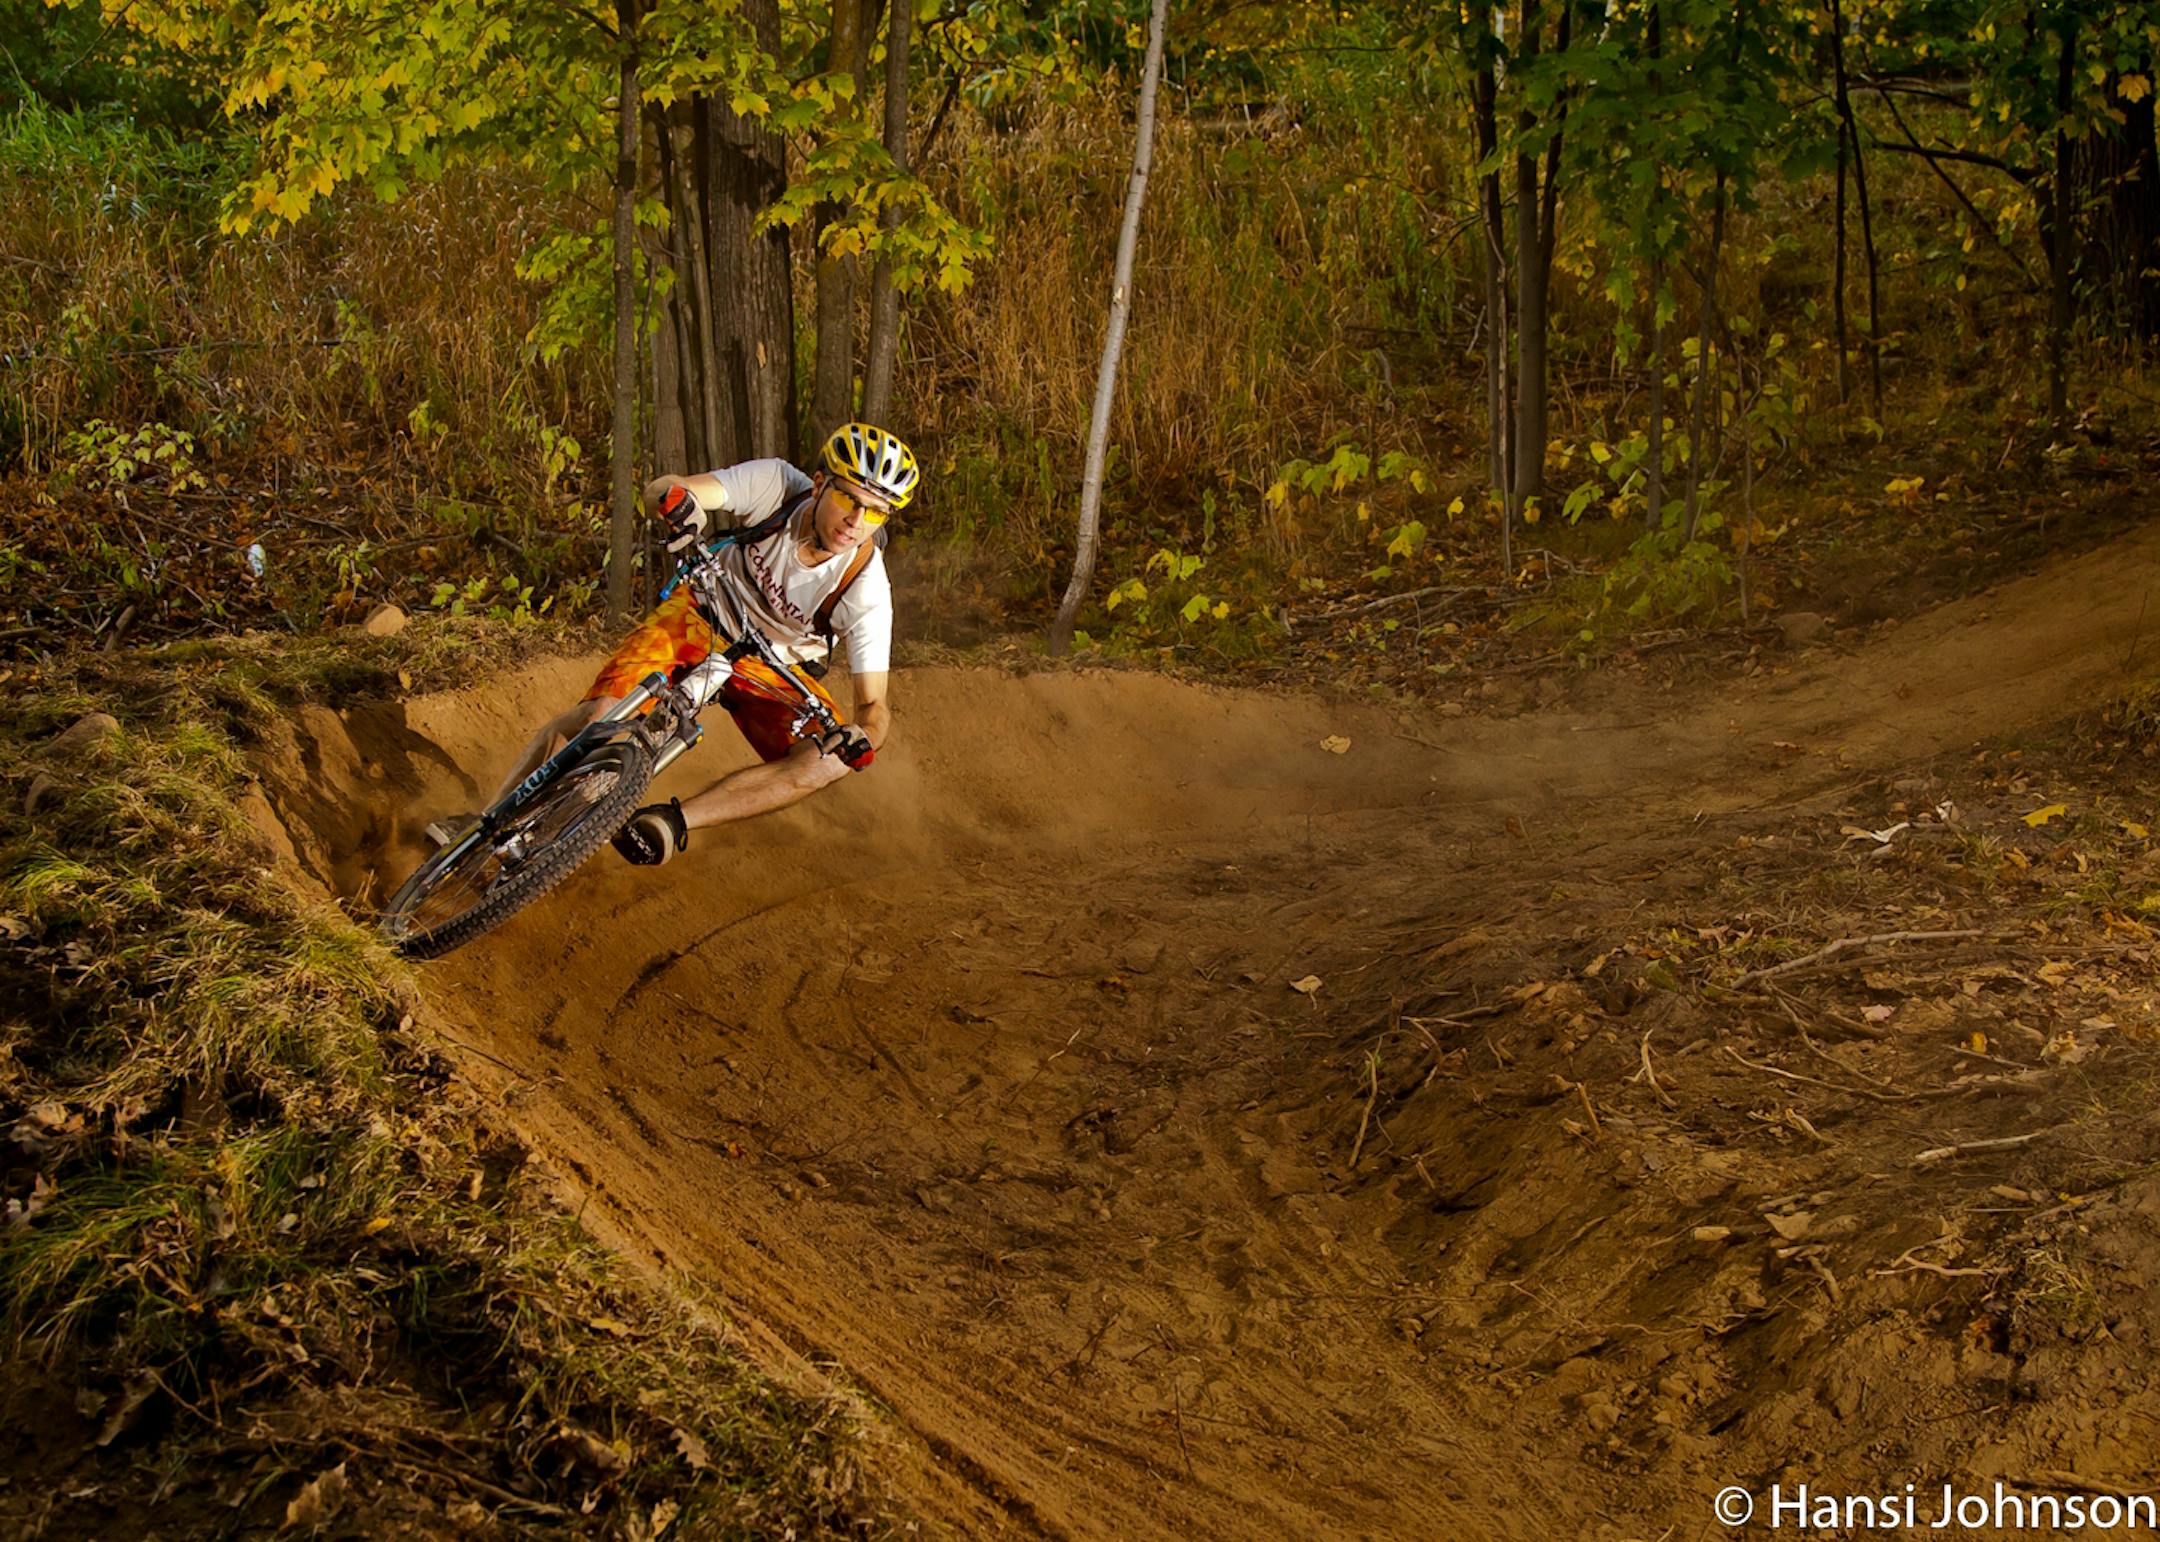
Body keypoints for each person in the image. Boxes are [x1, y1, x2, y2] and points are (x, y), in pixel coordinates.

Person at [429, 422, 916, 866]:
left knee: (826, 762)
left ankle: (671, 823)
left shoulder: (866, 587)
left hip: (771, 669)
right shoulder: (777, 485)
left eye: (876, 512)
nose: (857, 521)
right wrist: (677, 503)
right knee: (601, 716)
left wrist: (862, 735)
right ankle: (481, 825)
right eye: (849, 499)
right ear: (820, 483)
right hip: (699, 614)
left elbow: (874, 708)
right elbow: (667, 487)